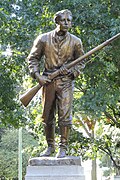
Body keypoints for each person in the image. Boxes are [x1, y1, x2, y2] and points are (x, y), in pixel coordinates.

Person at [27, 9, 84, 158]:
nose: (67, 23)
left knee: (65, 115)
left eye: (69, 20)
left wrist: (73, 72)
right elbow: (32, 59)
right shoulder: (43, 39)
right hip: (48, 81)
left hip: (66, 82)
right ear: (56, 22)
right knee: (47, 116)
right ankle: (50, 146)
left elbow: (81, 61)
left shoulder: (76, 41)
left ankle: (63, 147)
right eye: (63, 20)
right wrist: (37, 76)